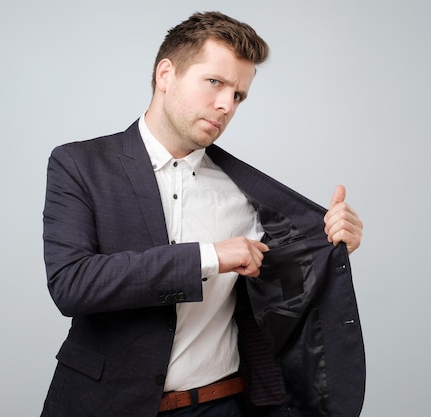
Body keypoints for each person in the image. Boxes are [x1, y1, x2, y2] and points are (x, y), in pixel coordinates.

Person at [41, 11, 365, 417]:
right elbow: (72, 284)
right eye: (216, 82)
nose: (226, 105)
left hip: (222, 405)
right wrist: (209, 257)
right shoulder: (80, 165)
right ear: (166, 74)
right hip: (105, 404)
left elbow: (281, 289)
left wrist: (331, 248)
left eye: (239, 95)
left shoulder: (244, 190)